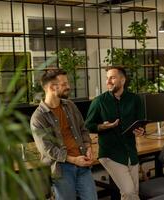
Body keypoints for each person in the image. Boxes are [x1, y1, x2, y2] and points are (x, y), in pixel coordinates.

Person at [30, 69, 98, 200]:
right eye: (64, 84)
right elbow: (48, 149)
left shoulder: (70, 105)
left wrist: (88, 147)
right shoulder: (38, 117)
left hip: (83, 163)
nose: (69, 87)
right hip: (61, 169)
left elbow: (82, 129)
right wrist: (73, 160)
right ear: (51, 87)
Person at [85, 67, 145, 200]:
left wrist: (141, 130)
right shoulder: (99, 101)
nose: (108, 81)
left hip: (131, 152)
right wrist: (103, 126)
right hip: (110, 154)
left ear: (122, 80)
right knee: (129, 192)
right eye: (107, 78)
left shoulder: (135, 99)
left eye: (112, 78)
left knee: (132, 192)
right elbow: (87, 126)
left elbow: (140, 122)